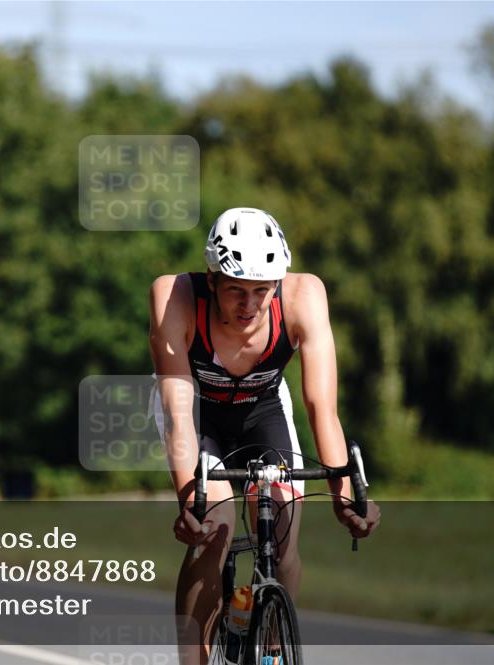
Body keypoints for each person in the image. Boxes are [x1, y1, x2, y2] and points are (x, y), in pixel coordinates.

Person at [148, 207, 381, 664]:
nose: (250, 305)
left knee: (285, 527)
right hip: (195, 411)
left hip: (263, 408)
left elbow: (321, 406)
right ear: (211, 280)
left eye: (262, 290)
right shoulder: (172, 296)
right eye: (236, 289)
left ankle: (273, 649)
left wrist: (344, 497)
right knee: (215, 525)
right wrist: (189, 502)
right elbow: (178, 413)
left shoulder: (304, 295)